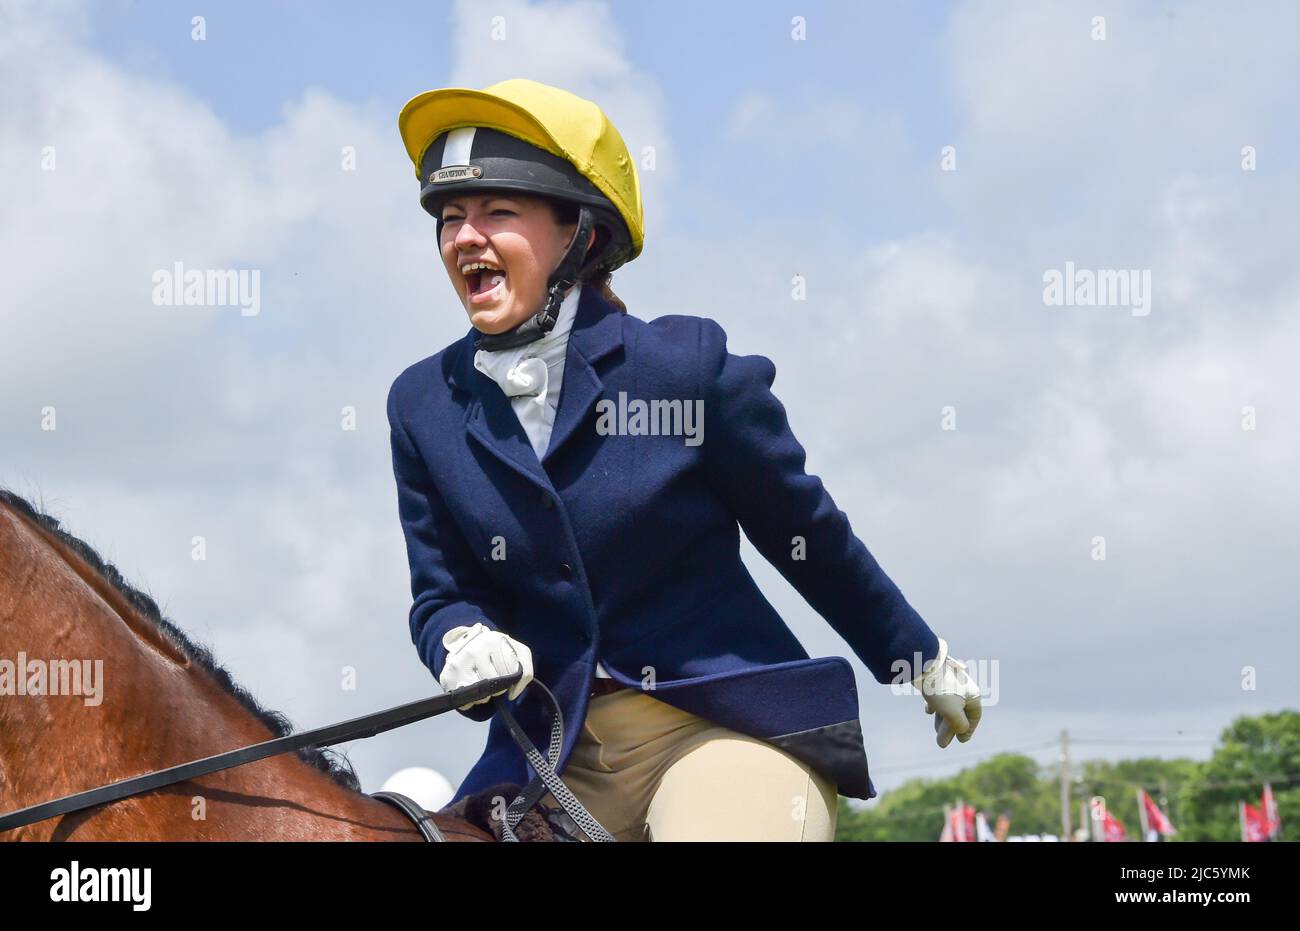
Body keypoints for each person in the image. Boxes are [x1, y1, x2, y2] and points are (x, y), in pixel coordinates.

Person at [388, 78, 983, 841]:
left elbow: (805, 533)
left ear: (583, 234)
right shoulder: (420, 405)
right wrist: (460, 640)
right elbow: (442, 592)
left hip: (720, 729)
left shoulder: (683, 368)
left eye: (498, 211)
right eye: (449, 218)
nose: (464, 237)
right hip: (549, 757)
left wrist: (916, 657)